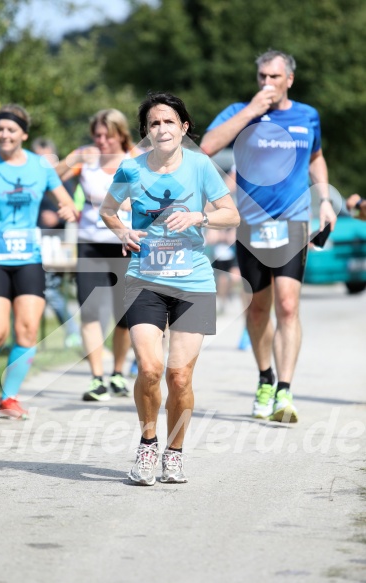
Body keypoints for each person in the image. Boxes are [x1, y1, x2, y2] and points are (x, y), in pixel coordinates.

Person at [99, 91, 240, 485]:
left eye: (168, 121)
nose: (161, 128)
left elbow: (232, 214)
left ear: (184, 127)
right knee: (149, 368)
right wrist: (123, 230)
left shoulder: (199, 166)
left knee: (179, 376)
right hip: (144, 279)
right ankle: (148, 444)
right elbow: (108, 210)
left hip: (193, 281)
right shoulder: (131, 169)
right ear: (146, 131)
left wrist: (200, 215)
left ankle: (174, 453)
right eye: (154, 123)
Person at [201, 50, 337, 423]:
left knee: (288, 306)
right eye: (262, 76)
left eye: (274, 77)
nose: (267, 83)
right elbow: (208, 146)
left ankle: (285, 391)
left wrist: (323, 198)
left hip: (293, 220)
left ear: (289, 79)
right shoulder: (238, 112)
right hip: (250, 224)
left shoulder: (307, 115)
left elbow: (316, 157)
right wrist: (251, 111)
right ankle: (265, 379)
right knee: (258, 308)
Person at [0, 104, 78, 418]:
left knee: (27, 330)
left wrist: (67, 210)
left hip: (29, 256)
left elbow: (67, 202)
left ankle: (9, 397)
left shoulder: (40, 167)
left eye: (11, 130)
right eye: (0, 129)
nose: (4, 135)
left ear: (23, 134)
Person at [56, 109, 137, 400]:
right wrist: (73, 161)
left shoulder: (134, 159)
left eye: (108, 135)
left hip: (125, 244)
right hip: (90, 243)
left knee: (124, 317)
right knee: (89, 310)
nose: (101, 141)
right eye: (97, 135)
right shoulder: (85, 159)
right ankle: (96, 378)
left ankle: (117, 373)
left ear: (120, 135)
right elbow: (48, 180)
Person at [32, 137, 82, 349]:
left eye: (48, 158)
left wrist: (57, 217)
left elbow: (73, 208)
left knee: (52, 291)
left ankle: (73, 332)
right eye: (39, 157)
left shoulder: (64, 181)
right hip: (32, 241)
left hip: (57, 243)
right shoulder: (29, 179)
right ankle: (21, 339)